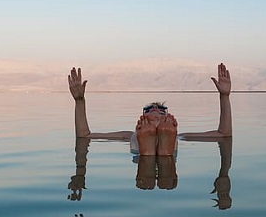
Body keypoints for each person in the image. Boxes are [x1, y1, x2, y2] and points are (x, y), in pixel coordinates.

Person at [67, 63, 233, 156]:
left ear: (167, 119)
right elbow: (85, 136)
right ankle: (162, 151)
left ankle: (151, 150)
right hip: (150, 141)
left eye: (161, 109)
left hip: (145, 146)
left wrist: (224, 96)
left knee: (141, 148)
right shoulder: (131, 134)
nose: (155, 108)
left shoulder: (178, 135)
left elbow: (223, 134)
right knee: (144, 143)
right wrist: (79, 101)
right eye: (149, 108)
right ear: (142, 117)